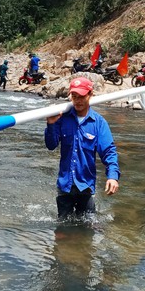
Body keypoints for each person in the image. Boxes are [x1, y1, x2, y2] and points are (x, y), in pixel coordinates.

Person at [45, 77, 120, 220]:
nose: (78, 101)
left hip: (85, 186)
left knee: (87, 230)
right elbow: (51, 145)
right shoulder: (62, 118)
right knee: (62, 230)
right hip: (65, 186)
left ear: (90, 94)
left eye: (81, 96)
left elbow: (109, 152)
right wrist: (51, 124)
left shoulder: (99, 123)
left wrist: (112, 177)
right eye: (74, 96)